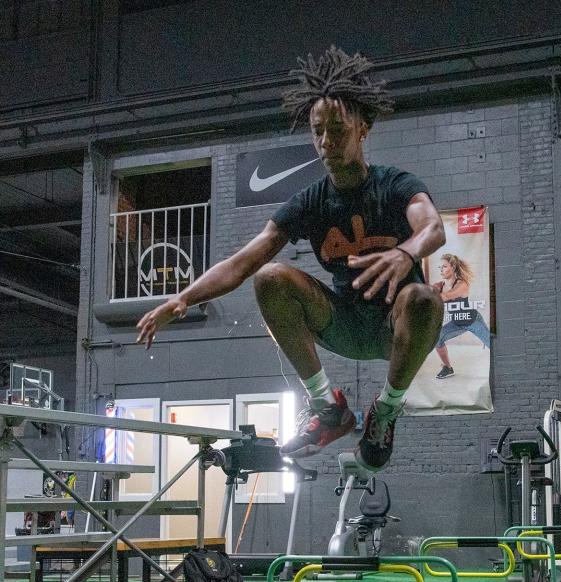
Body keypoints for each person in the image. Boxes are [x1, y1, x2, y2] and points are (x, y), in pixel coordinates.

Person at [135, 46, 445, 472]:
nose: (326, 142)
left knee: (425, 298)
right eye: (318, 131)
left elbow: (432, 227)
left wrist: (404, 251)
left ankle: (386, 412)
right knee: (270, 277)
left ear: (363, 128)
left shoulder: (395, 184)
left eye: (337, 130)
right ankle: (328, 409)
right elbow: (244, 261)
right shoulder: (311, 202)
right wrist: (182, 299)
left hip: (395, 326)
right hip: (343, 323)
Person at [431, 253, 490, 379]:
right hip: (457, 322)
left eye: (444, 267)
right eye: (440, 267)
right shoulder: (441, 285)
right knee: (437, 337)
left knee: (492, 344)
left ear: (453, 267)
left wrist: (430, 294)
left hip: (473, 321)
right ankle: (448, 368)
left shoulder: (462, 284)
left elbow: (447, 296)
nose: (441, 270)